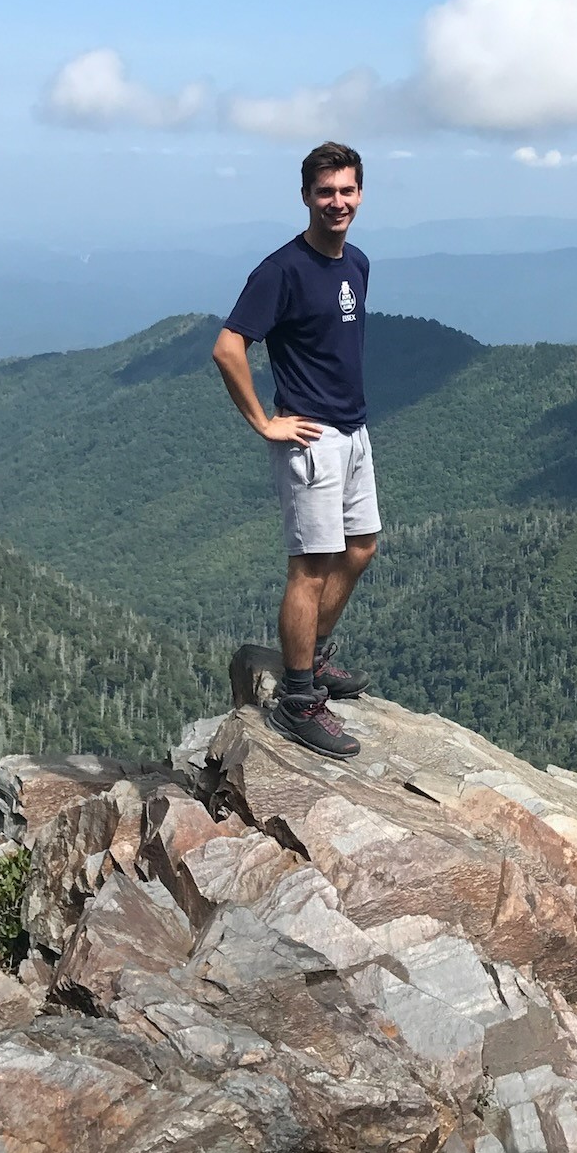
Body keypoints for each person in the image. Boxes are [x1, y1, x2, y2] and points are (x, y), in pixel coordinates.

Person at [212, 141, 378, 757]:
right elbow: (228, 348)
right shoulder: (281, 270)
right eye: (326, 192)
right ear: (306, 196)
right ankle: (298, 699)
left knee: (360, 548)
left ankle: (309, 658)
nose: (337, 202)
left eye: (347, 191)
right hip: (310, 439)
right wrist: (264, 422)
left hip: (354, 431)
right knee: (309, 567)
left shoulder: (356, 263)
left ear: (360, 194)